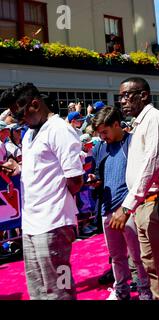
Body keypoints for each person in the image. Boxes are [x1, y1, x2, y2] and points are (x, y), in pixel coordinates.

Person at [0, 83, 84, 300]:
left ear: (35, 104)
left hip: (54, 224)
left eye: (21, 116)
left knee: (60, 289)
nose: (20, 122)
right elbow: (39, 169)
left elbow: (75, 180)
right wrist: (19, 169)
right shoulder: (29, 134)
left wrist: (55, 200)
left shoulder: (60, 130)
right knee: (37, 290)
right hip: (30, 224)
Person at [116, 77, 159, 300]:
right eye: (121, 97)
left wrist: (127, 206)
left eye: (127, 95)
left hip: (156, 202)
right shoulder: (139, 123)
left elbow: (152, 162)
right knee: (152, 267)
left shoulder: (154, 118)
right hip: (143, 206)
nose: (122, 101)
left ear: (144, 95)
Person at [90, 106, 152, 300]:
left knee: (138, 257)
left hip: (129, 210)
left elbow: (141, 177)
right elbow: (101, 175)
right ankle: (121, 291)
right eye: (99, 133)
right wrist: (95, 179)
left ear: (117, 125)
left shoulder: (132, 143)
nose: (102, 137)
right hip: (106, 210)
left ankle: (144, 292)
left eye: (105, 132)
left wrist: (127, 207)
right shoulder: (100, 147)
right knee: (116, 257)